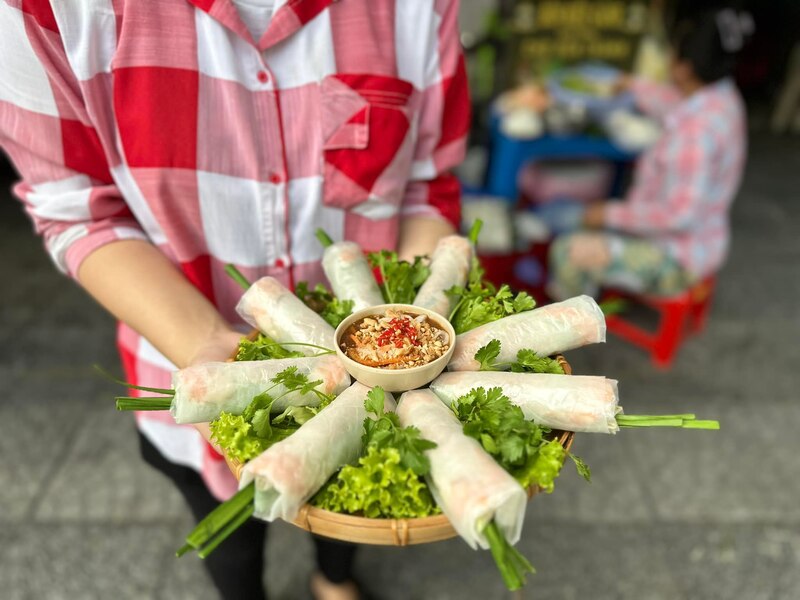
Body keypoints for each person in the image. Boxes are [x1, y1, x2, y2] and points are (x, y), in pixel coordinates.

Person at [0, 1, 470, 599]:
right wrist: (204, 344)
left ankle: (334, 578)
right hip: (182, 353)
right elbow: (76, 209)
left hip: (382, 373)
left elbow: (428, 181)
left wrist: (422, 321)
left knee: (349, 501)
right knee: (228, 530)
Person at [546, 7, 751, 300]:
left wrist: (607, 214)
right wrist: (630, 85)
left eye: (672, 51)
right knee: (588, 216)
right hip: (708, 239)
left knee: (566, 250)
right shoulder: (721, 96)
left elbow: (679, 215)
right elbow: (671, 100)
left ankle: (576, 324)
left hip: (677, 257)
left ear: (684, 68)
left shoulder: (695, 133)